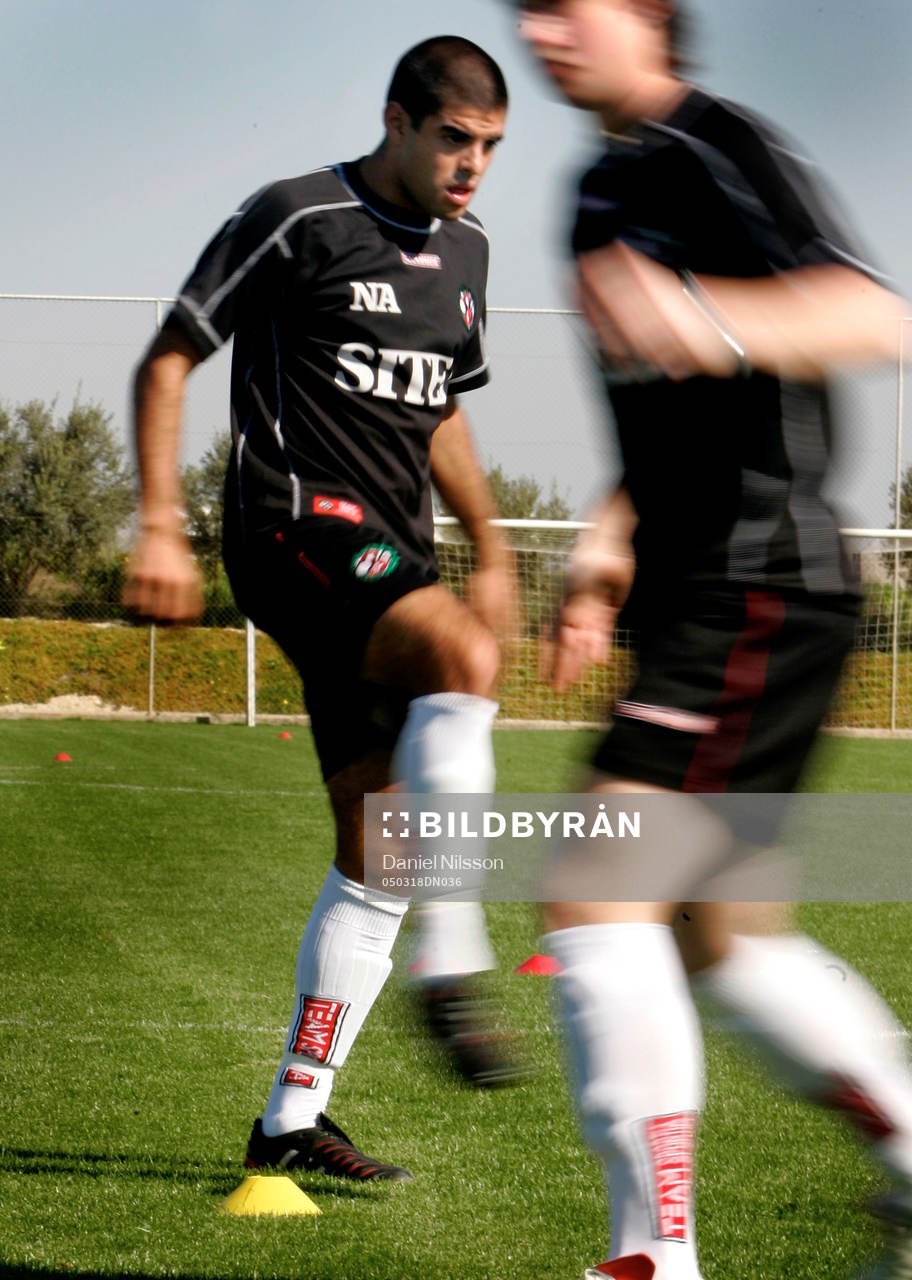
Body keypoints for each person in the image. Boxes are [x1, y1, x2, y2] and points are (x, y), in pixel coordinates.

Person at [516, 2, 912, 1277]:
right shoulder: (596, 188)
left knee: (593, 886)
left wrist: (709, 312)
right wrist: (611, 534)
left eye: (564, 6)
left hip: (759, 586)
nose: (537, 30)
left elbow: (871, 312)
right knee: (721, 936)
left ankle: (651, 1257)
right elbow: (677, 417)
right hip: (708, 592)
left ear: (645, 15)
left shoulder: (714, 145)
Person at [123, 35, 523, 1185]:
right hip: (291, 526)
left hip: (391, 551)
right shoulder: (298, 216)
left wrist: (492, 542)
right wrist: (160, 521)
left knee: (375, 853)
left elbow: (442, 407)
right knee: (460, 645)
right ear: (398, 119)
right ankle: (454, 955)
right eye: (454, 138)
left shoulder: (470, 253)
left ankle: (290, 1118)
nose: (471, 167)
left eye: (491, 147)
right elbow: (169, 359)